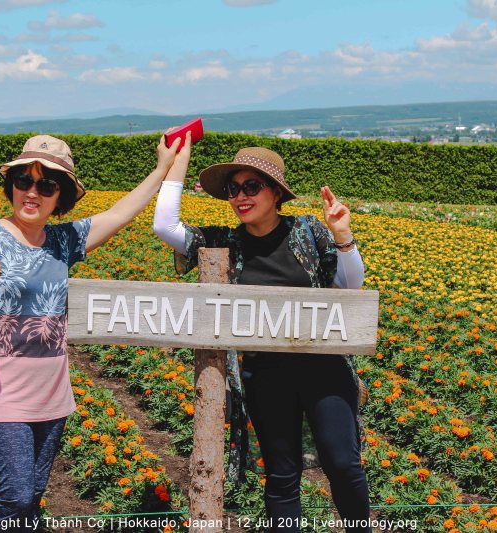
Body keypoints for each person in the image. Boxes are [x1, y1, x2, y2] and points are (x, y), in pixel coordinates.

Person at [0, 133, 182, 533]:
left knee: (31, 502)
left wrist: (162, 168)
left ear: (60, 196)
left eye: (46, 185)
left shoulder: (63, 241)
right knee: (15, 498)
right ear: (12, 185)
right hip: (0, 396)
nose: (32, 192)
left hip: (52, 397)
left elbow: (119, 214)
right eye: (24, 181)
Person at [153, 135, 370, 533]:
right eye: (233, 189)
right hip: (264, 373)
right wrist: (177, 162)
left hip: (324, 368)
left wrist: (341, 233)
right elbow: (164, 226)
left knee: (343, 463)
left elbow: (350, 287)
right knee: (282, 473)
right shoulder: (225, 241)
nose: (240, 197)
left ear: (275, 193)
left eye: (251, 186)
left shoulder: (307, 232)